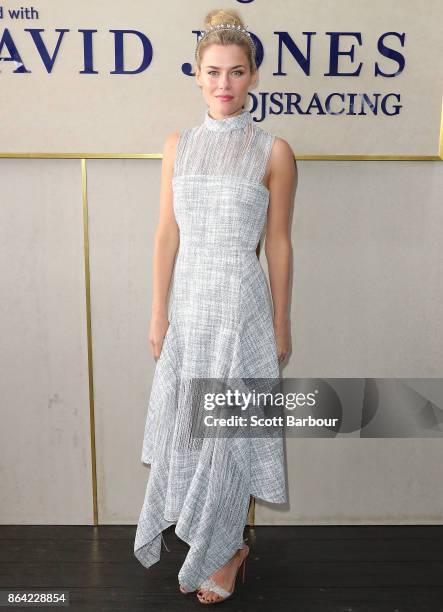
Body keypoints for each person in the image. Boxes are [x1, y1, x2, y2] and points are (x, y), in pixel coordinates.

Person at [134, 8, 297, 605]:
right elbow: (165, 235)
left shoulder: (273, 150)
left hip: (242, 306)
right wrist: (158, 313)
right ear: (197, 77)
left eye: (236, 72)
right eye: (213, 72)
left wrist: (280, 320)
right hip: (191, 305)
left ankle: (228, 551)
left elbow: (277, 241)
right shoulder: (178, 146)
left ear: (253, 76)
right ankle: (208, 537)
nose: (224, 84)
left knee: (233, 428)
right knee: (192, 427)